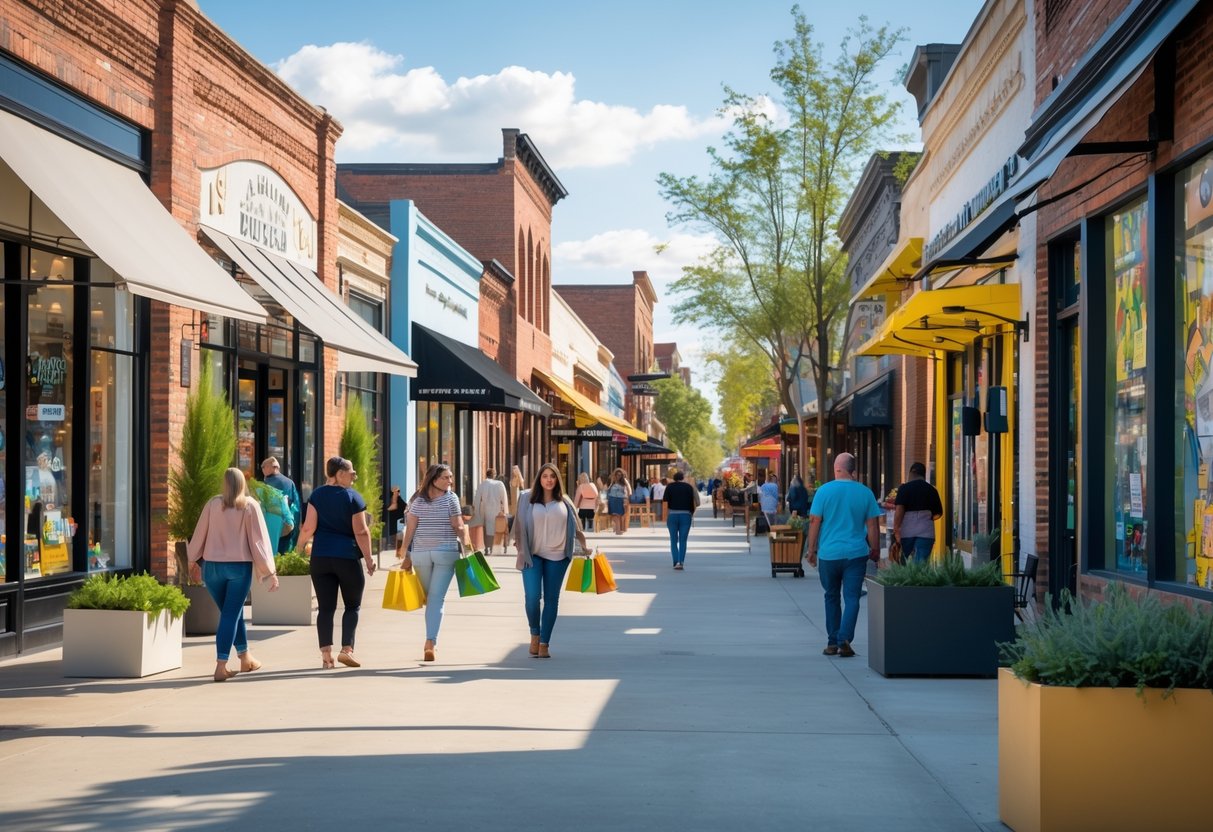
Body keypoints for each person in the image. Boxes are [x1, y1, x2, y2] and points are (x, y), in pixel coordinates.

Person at [187, 467, 279, 682]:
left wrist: (192, 560)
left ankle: (245, 657)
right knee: (230, 615)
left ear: (225, 483)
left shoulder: (212, 504)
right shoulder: (249, 505)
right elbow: (259, 542)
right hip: (238, 569)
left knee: (232, 613)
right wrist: (270, 572)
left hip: (211, 569)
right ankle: (221, 666)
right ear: (242, 483)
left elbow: (199, 534)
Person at [295, 456, 376, 669]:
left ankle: (326, 656)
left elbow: (308, 528)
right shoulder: (353, 498)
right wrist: (368, 559)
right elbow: (360, 531)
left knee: (326, 608)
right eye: (351, 472)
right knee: (352, 605)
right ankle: (346, 650)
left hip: (320, 558)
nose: (354, 476)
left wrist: (299, 548)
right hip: (346, 558)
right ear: (339, 474)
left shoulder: (317, 495)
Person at [805, 453, 881, 658]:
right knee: (852, 597)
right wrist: (875, 550)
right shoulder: (865, 493)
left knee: (831, 596)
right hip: (855, 554)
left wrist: (811, 550)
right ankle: (844, 637)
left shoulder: (823, 491)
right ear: (853, 471)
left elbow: (814, 521)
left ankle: (832, 642)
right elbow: (873, 525)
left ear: (836, 469)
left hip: (829, 554)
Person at [396, 463, 469, 663]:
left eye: (451, 477)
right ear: (434, 478)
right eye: (446, 477)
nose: (450, 481)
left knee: (430, 597)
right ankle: (430, 642)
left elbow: (410, 529)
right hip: (445, 553)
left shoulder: (416, 499)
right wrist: (468, 545)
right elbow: (457, 525)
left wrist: (406, 554)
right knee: (436, 599)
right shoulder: (451, 498)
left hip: (420, 553)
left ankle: (430, 640)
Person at [514, 463, 588, 658]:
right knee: (532, 598)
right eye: (545, 476)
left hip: (558, 556)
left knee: (551, 600)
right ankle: (534, 634)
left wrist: (585, 547)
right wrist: (519, 547)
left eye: (552, 477)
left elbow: (577, 528)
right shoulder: (526, 499)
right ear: (539, 479)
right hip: (532, 555)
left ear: (557, 480)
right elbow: (519, 524)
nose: (549, 480)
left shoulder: (565, 501)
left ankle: (545, 643)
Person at [894, 462, 944, 563]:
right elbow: (938, 513)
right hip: (926, 532)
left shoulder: (904, 488)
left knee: (902, 562)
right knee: (920, 565)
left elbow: (899, 510)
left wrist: (896, 529)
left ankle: (905, 578)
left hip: (907, 531)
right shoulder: (932, 490)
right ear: (923, 475)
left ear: (911, 473)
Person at [260, 456, 301, 554]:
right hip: (286, 524)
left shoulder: (264, 485)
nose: (262, 469)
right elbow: (296, 506)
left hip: (269, 524)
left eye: (263, 467)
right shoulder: (289, 482)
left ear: (272, 468)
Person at [662, 469, 698, 570]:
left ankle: (675, 561)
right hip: (686, 515)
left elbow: (665, 502)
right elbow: (694, 503)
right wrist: (691, 513)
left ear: (674, 478)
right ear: (683, 478)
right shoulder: (689, 487)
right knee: (683, 540)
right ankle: (681, 562)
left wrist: (665, 517)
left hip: (672, 515)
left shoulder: (669, 487)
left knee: (673, 540)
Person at [471, 468, 509, 555]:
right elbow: (504, 498)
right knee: (499, 528)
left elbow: (477, 498)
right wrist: (505, 510)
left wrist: (476, 510)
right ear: (494, 475)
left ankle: (487, 548)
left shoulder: (483, 484)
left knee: (487, 529)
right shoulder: (500, 484)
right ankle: (500, 546)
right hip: (497, 509)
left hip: (485, 510)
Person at [605, 468, 631, 535]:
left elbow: (628, 490)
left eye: (620, 475)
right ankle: (617, 530)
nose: (618, 476)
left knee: (618, 515)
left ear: (622, 475)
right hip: (612, 499)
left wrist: (627, 498)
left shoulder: (624, 482)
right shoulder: (612, 482)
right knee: (614, 515)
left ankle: (618, 530)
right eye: (617, 475)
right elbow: (607, 490)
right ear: (615, 475)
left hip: (619, 499)